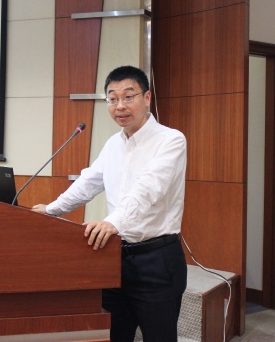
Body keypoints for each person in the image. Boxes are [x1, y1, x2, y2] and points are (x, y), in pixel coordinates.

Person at [32, 65, 187, 342]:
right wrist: (51, 210)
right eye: (112, 99)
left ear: (147, 98)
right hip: (113, 258)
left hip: (157, 260)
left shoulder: (171, 140)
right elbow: (88, 183)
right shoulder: (113, 144)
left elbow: (148, 189)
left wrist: (112, 222)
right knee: (112, 336)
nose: (120, 106)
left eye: (128, 96)